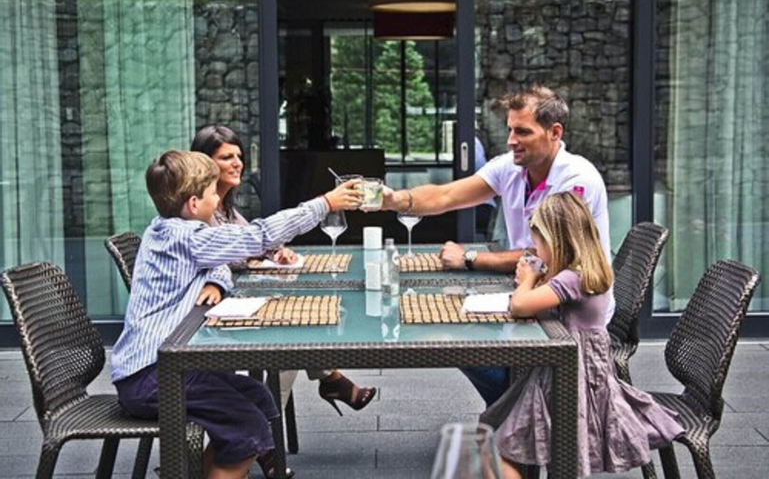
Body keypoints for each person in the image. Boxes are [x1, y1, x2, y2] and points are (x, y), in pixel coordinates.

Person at [110, 150, 363, 479]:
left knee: (257, 396)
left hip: (155, 370)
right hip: (155, 377)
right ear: (193, 204)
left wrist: (215, 280)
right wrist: (324, 203)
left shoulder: (166, 230)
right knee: (247, 427)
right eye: (213, 193)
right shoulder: (186, 236)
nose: (218, 199)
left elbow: (219, 263)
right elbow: (259, 236)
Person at [381, 85, 614, 405]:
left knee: (463, 343)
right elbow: (447, 195)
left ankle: (519, 409)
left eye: (523, 131)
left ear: (554, 132)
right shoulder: (511, 167)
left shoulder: (576, 179)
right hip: (531, 292)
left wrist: (471, 258)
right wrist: (395, 200)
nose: (511, 140)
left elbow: (550, 254)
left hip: (567, 315)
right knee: (456, 327)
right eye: (510, 130)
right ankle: (518, 410)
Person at [481, 192, 683, 479]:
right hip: (583, 371)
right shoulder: (584, 271)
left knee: (493, 446)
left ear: (557, 242)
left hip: (568, 376)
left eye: (539, 244)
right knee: (515, 440)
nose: (536, 251)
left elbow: (520, 305)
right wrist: (537, 279)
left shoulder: (571, 278)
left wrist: (527, 279)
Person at [192, 125, 377, 415]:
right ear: (205, 164)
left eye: (239, 156)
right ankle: (269, 417)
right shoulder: (196, 211)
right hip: (209, 320)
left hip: (234, 301)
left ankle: (322, 383)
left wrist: (274, 252)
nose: (237, 163)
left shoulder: (224, 206)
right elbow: (239, 245)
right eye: (226, 157)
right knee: (294, 331)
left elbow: (250, 240)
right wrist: (325, 203)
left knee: (305, 317)